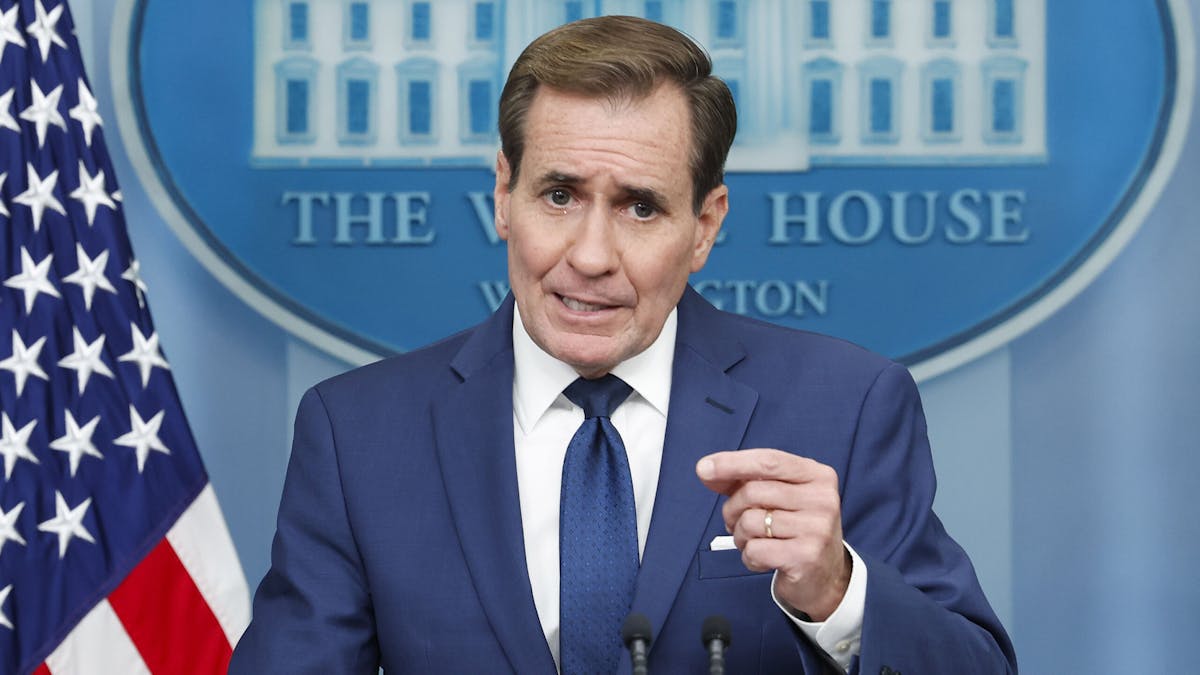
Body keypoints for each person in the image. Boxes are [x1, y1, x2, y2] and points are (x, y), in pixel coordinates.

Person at [230, 15, 1016, 674]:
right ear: (503, 194)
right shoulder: (358, 434)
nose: (591, 255)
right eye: (559, 195)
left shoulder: (844, 406)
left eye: (640, 207)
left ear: (704, 225)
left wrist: (838, 592)